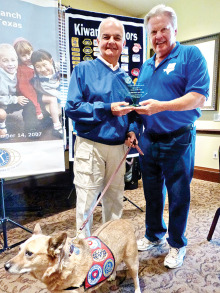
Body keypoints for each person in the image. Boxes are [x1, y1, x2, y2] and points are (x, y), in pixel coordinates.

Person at [135, 4, 210, 269]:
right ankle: (153, 234)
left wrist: (162, 106)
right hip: (149, 139)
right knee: (152, 192)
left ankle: (177, 244)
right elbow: (139, 103)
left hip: (178, 138)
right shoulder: (144, 66)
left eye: (163, 29)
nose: (158, 36)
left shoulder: (190, 55)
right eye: (153, 31)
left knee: (178, 194)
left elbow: (198, 96)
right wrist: (134, 129)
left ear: (174, 29)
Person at [65, 17, 137, 238]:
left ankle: (110, 253)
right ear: (98, 41)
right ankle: (83, 259)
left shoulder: (129, 78)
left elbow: (135, 110)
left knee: (115, 201)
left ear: (123, 44)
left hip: (118, 149)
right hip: (90, 146)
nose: (111, 42)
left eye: (117, 38)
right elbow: (72, 107)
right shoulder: (83, 69)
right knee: (86, 202)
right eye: (106, 37)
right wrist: (107, 108)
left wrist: (132, 130)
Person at [31, 49, 62, 137]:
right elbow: (52, 93)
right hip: (40, 94)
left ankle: (55, 117)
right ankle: (57, 126)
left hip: (56, 91)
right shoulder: (37, 77)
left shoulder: (58, 67)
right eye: (38, 66)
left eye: (45, 65)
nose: (42, 69)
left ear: (50, 61)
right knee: (53, 99)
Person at [0, 43, 29, 139]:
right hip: (3, 102)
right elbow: (1, 98)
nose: (10, 64)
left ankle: (32, 123)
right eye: (5, 61)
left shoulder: (18, 72)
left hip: (11, 101)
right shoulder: (1, 77)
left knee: (28, 100)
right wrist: (16, 99)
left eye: (13, 60)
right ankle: (1, 126)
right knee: (1, 113)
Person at [14, 38, 43, 120]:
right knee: (29, 106)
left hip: (36, 92)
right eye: (23, 55)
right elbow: (28, 91)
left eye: (29, 53)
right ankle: (30, 130)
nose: (28, 57)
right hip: (25, 94)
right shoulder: (22, 70)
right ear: (18, 57)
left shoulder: (36, 64)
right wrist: (38, 110)